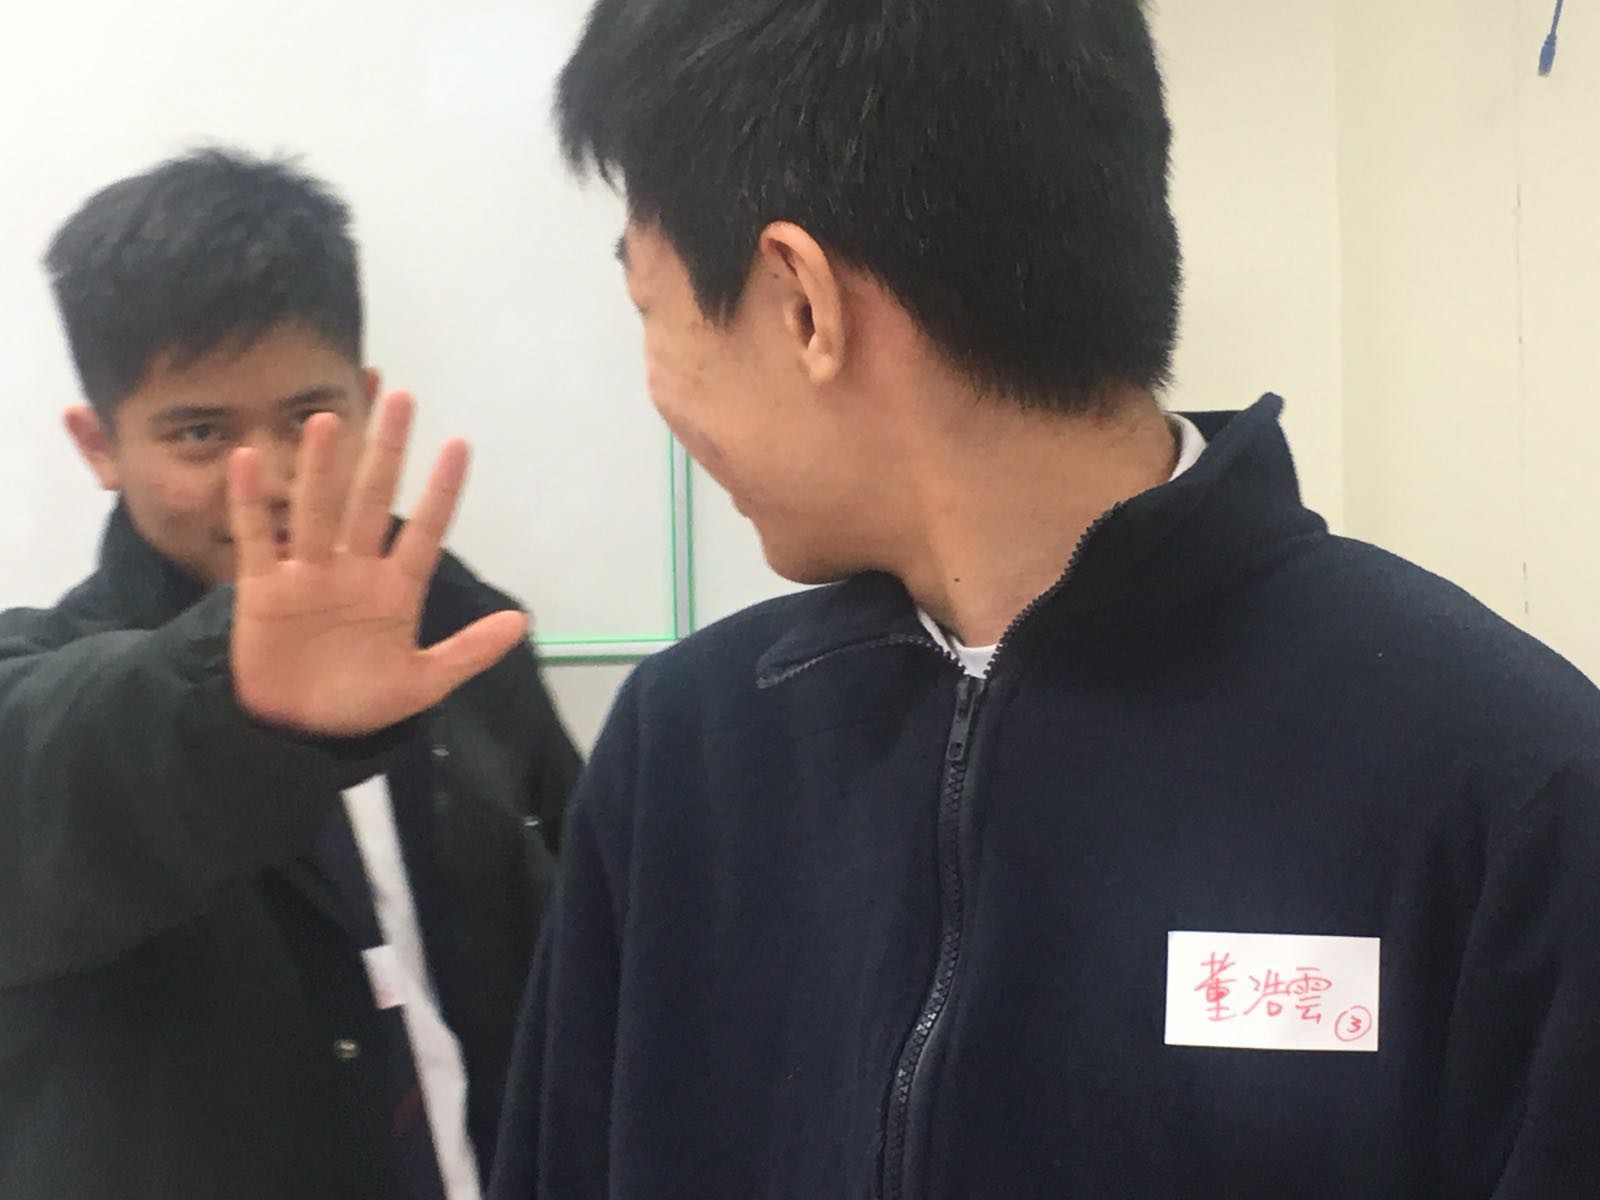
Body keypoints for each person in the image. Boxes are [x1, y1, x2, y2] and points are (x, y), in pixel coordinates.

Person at [473, 1, 1596, 1197]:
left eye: (650, 313)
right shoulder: (682, 756)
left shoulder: (1504, 790)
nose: (656, 385)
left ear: (802, 301)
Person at [0, 149, 580, 1200]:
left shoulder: (464, 635)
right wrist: (235, 699)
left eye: (309, 420)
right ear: (100, 444)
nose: (267, 478)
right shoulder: (53, 690)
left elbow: (577, 934)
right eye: (200, 432)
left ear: (365, 402)